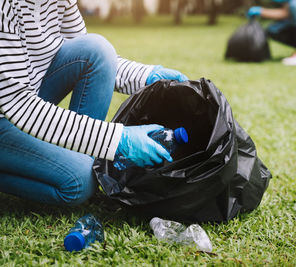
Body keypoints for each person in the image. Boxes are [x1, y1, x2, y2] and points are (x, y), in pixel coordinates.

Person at [0, 0, 188, 206]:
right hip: (11, 108)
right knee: (79, 181)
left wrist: (148, 76)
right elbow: (18, 104)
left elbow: (89, 55)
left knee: (98, 49)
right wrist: (118, 140)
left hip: (26, 100)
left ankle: (77, 159)